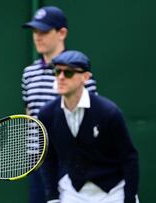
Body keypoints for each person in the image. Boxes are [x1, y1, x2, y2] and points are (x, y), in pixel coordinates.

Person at [38, 50, 139, 203]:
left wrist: (130, 197)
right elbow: (48, 158)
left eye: (68, 73)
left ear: (85, 77)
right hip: (73, 192)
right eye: (57, 71)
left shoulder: (109, 112)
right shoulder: (47, 114)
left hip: (113, 192)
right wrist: (52, 197)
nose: (61, 77)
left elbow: (129, 158)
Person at [21, 6, 98, 203]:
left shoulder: (80, 73)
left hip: (71, 165)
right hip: (37, 165)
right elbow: (29, 113)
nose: (38, 37)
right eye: (35, 32)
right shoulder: (28, 74)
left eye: (44, 32)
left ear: (62, 33)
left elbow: (90, 119)